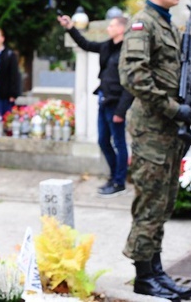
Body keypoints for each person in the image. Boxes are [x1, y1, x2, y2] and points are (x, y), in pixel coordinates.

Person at [119, 0, 191, 301]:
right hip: (151, 128)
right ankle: (142, 277)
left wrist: (186, 105)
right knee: (149, 203)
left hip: (168, 129)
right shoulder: (143, 24)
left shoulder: (168, 24)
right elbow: (135, 77)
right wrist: (171, 108)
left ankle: (156, 271)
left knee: (164, 203)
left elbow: (170, 74)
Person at [57, 15, 134, 197]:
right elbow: (85, 44)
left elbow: (130, 85)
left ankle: (119, 181)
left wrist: (121, 111)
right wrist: (71, 27)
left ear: (121, 29)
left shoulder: (128, 51)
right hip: (103, 100)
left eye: (112, 25)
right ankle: (114, 177)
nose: (109, 28)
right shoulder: (107, 46)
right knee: (103, 141)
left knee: (120, 143)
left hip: (116, 105)